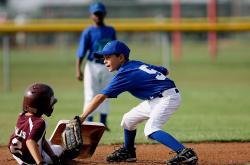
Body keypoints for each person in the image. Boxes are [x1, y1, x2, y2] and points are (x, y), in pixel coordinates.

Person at [78, 40, 199, 164]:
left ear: (120, 57)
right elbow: (165, 71)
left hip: (167, 98)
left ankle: (185, 153)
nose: (104, 61)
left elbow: (100, 97)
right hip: (157, 98)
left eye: (108, 57)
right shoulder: (135, 64)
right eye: (104, 57)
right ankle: (128, 152)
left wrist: (82, 117)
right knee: (128, 120)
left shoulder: (125, 73)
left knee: (151, 129)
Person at [75, 2, 116, 131]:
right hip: (92, 65)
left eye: (100, 13)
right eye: (95, 13)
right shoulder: (88, 31)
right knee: (90, 94)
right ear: (91, 15)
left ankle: (103, 123)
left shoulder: (110, 30)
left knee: (107, 93)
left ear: (104, 14)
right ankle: (89, 123)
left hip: (107, 65)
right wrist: (78, 69)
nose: (98, 16)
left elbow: (115, 49)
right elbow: (81, 52)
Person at [8, 83, 63, 165]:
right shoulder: (40, 122)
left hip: (17, 155)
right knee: (59, 148)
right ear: (42, 105)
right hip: (31, 160)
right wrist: (40, 162)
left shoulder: (21, 115)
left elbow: (40, 139)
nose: (51, 105)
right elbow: (30, 141)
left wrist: (53, 156)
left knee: (46, 141)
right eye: (50, 103)